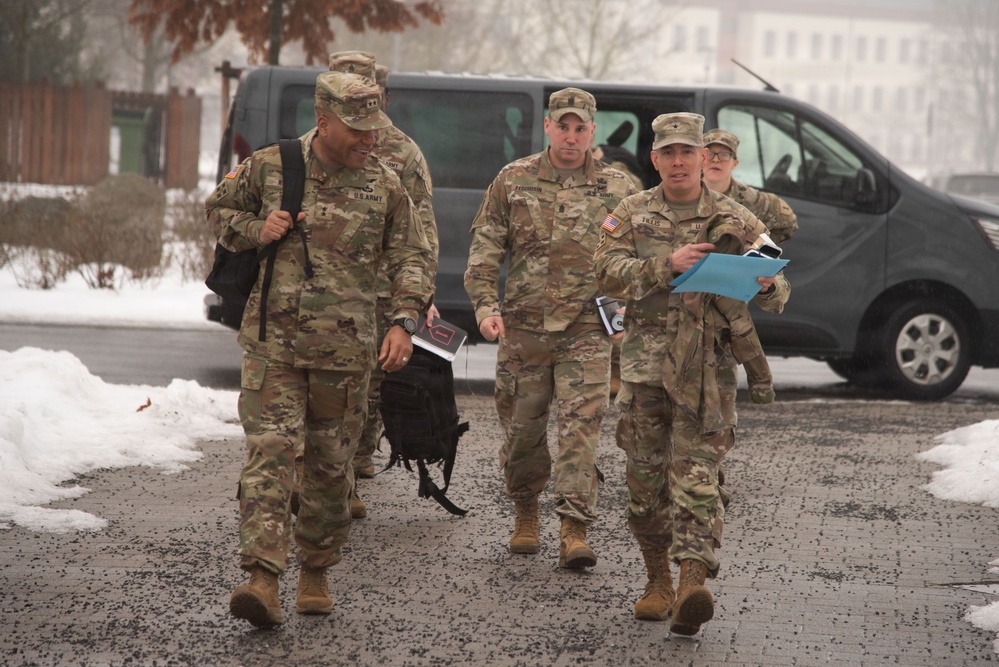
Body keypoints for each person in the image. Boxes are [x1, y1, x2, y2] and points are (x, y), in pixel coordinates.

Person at [205, 70, 434, 628]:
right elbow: (217, 212)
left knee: (332, 471)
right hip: (274, 347)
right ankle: (262, 577)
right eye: (355, 128)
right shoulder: (271, 166)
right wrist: (258, 227)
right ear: (323, 120)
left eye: (373, 127)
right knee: (271, 454)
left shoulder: (384, 183)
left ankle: (315, 569)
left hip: (346, 354)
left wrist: (404, 322)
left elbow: (414, 256)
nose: (368, 139)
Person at [594, 112, 790, 634]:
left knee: (698, 483)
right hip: (645, 373)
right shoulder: (631, 212)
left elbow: (777, 289)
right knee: (644, 487)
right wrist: (666, 265)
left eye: (688, 152)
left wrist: (768, 285)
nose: (679, 162)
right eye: (669, 153)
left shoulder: (737, 218)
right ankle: (656, 581)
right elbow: (604, 272)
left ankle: (690, 587)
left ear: (705, 159)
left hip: (707, 374)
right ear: (655, 159)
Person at [464, 88, 637, 569]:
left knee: (581, 429)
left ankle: (574, 529)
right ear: (547, 128)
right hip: (524, 329)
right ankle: (525, 512)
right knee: (523, 430)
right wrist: (483, 306)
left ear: (592, 133)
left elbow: (637, 257)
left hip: (587, 328)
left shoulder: (617, 188)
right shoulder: (512, 179)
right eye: (563, 126)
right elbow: (485, 247)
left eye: (581, 128)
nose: (571, 136)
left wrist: (623, 316)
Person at [287, 51, 440, 521]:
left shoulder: (402, 151)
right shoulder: (305, 147)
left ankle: (351, 469)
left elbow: (422, 230)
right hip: (320, 291)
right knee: (313, 388)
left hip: (380, 289)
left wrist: (420, 298)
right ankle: (315, 475)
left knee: (368, 389)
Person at [701, 128, 798, 245]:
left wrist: (757, 247)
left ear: (735, 163)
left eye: (724, 155)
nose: (716, 160)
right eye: (710, 154)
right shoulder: (684, 193)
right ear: (701, 159)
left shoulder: (751, 199)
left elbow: (788, 222)